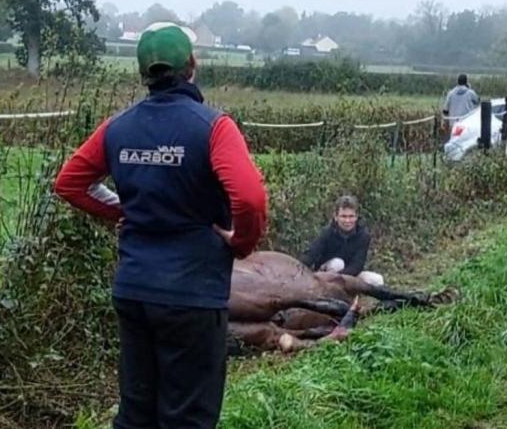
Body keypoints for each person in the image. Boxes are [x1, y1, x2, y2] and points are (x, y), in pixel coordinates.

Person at [54, 22, 267, 428]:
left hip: (134, 291)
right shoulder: (213, 127)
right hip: (193, 297)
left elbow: (70, 183)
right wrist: (240, 242)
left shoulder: (118, 127)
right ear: (192, 65)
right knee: (186, 418)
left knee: (136, 414)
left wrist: (125, 211)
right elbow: (250, 197)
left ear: (143, 73)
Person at [300, 195, 384, 286]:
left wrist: (340, 278)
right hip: (325, 275)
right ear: (336, 217)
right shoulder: (327, 233)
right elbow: (311, 255)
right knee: (338, 263)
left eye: (351, 216)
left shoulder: (363, 236)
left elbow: (357, 265)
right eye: (343, 216)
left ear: (356, 217)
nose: (347, 221)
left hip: (349, 275)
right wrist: (299, 270)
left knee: (377, 280)